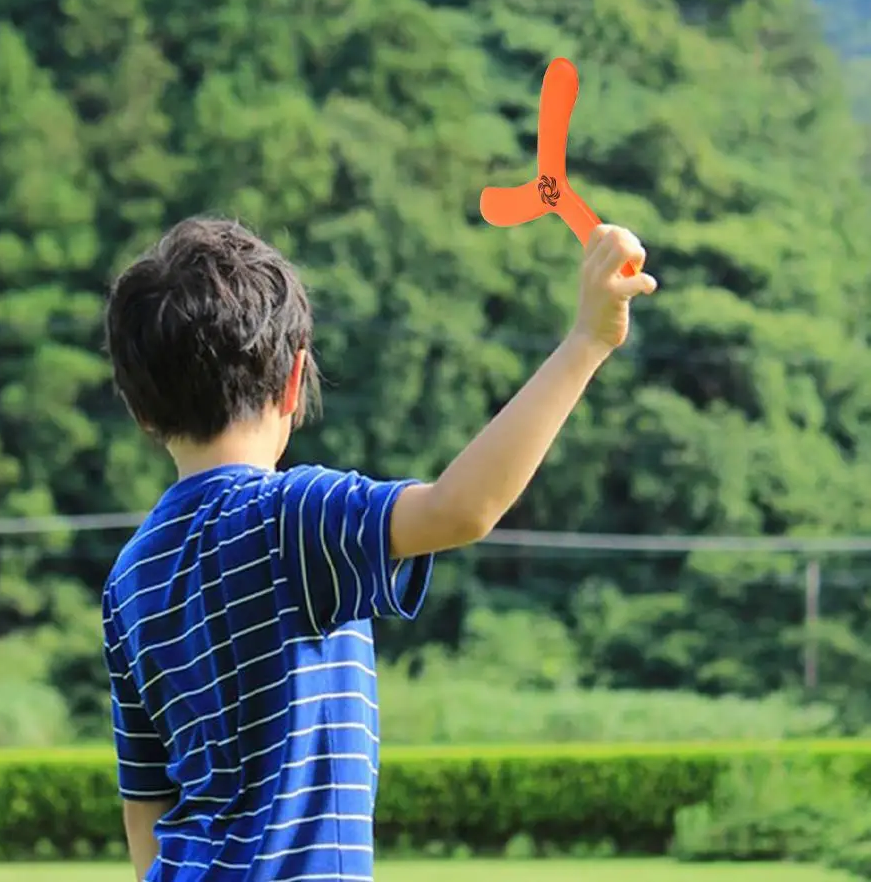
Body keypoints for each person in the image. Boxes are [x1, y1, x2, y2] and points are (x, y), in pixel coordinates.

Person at [102, 216, 656, 882]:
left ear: (140, 409)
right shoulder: (292, 517)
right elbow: (461, 508)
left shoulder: (131, 576)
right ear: (294, 376)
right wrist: (586, 340)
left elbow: (146, 816)